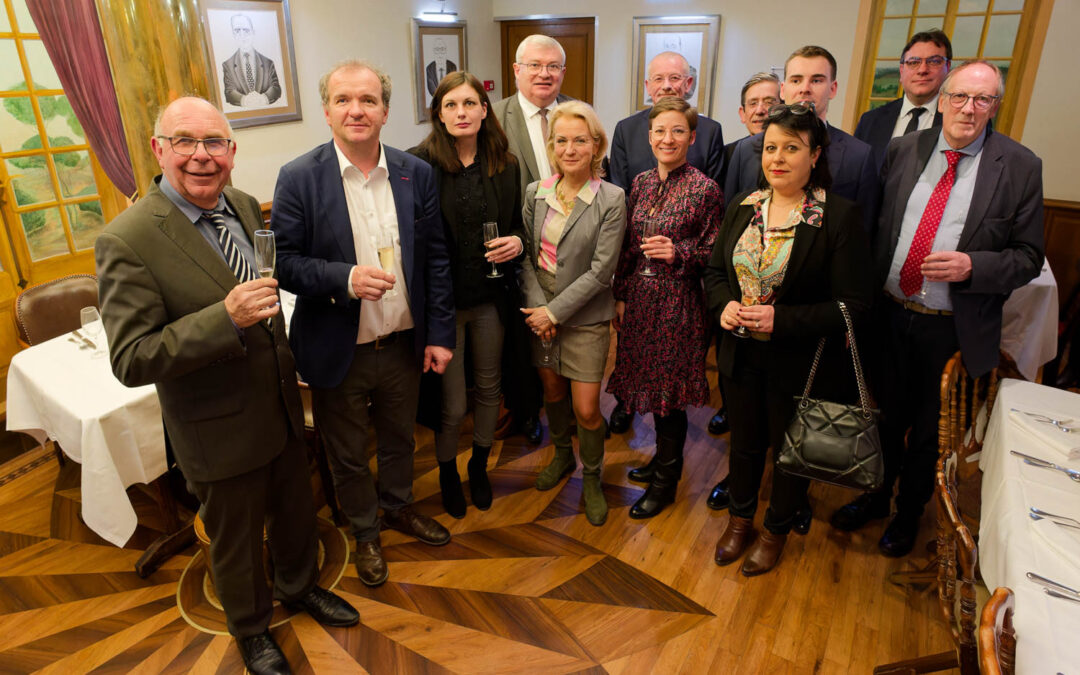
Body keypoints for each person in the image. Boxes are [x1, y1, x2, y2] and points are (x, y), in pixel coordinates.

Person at [95, 96, 357, 675]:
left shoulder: (239, 204)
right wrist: (223, 319)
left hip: (281, 404)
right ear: (159, 149)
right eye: (184, 141)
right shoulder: (128, 239)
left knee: (294, 513)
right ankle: (251, 630)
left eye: (214, 143)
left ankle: (300, 587)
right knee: (235, 542)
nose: (200, 156)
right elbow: (132, 359)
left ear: (232, 153)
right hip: (215, 428)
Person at [830, 61, 1044, 557]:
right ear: (943, 98)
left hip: (951, 329)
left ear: (996, 106)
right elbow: (876, 229)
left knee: (929, 433)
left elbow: (1028, 257)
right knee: (880, 418)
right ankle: (875, 496)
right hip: (889, 313)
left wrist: (973, 265)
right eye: (961, 97)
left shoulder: (1019, 166)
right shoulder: (905, 149)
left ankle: (908, 515)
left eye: (983, 99)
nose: (970, 108)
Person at [271, 60, 455, 588]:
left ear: (385, 111)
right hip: (338, 347)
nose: (357, 110)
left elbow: (435, 259)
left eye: (369, 100)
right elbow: (283, 264)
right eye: (345, 100)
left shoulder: (414, 172)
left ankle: (397, 507)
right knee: (347, 454)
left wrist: (440, 334)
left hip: (402, 342)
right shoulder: (299, 178)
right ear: (327, 110)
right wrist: (344, 278)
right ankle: (366, 530)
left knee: (400, 440)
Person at [704, 102, 874, 576]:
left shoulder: (836, 217)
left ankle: (776, 529)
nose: (777, 158)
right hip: (738, 355)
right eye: (770, 147)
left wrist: (783, 321)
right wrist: (723, 306)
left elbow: (854, 305)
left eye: (792, 148)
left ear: (815, 155)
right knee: (743, 445)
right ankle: (740, 522)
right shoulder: (743, 206)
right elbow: (716, 272)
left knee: (788, 453)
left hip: (800, 362)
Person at [408, 71, 526, 518]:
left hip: (491, 297)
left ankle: (478, 466)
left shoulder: (505, 163)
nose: (462, 112)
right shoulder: (419, 166)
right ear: (439, 113)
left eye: (470, 104)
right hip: (444, 304)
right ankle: (445, 472)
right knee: (453, 403)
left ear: (484, 109)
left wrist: (516, 242)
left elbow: (518, 225)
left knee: (490, 391)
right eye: (451, 105)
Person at [607, 97, 722, 518]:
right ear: (649, 136)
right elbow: (627, 248)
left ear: (692, 137)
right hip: (640, 300)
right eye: (659, 131)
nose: (667, 138)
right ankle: (660, 459)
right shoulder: (639, 183)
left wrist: (680, 251)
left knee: (669, 396)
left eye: (677, 131)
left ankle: (666, 482)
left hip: (679, 303)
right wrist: (620, 294)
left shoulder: (705, 189)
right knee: (650, 389)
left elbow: (715, 251)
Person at [519, 100, 626, 526]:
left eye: (580, 140)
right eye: (561, 140)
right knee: (553, 394)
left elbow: (603, 272)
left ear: (596, 145)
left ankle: (593, 477)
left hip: (585, 319)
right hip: (540, 314)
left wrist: (555, 314)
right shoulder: (536, 192)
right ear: (551, 146)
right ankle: (563, 456)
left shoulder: (612, 198)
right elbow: (526, 255)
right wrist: (539, 312)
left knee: (586, 408)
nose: (570, 148)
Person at [705, 71, 782, 513]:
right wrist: (725, 298)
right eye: (752, 102)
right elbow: (726, 228)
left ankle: (788, 498)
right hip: (737, 302)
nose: (761, 110)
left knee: (783, 413)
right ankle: (741, 489)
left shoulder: (825, 206)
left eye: (769, 100)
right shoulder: (734, 155)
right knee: (743, 406)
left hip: (787, 318)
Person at [492, 33, 571, 444]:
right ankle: (528, 410)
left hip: (569, 247)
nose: (545, 74)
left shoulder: (576, 114)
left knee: (569, 329)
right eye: (535, 65)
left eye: (553, 66)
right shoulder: (493, 117)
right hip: (516, 247)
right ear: (517, 70)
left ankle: (569, 409)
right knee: (523, 338)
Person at [725, 46, 878, 237]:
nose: (805, 89)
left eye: (816, 80)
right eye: (796, 80)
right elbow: (729, 224)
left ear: (833, 88)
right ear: (783, 89)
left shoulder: (859, 156)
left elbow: (862, 233)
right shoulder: (746, 149)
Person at [608, 51, 725, 193]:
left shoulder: (710, 131)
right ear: (648, 86)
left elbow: (715, 194)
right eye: (658, 79)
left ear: (688, 83)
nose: (666, 86)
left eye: (674, 78)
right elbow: (619, 192)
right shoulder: (626, 130)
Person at [855, 29, 951, 168]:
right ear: (901, 70)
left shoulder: (957, 121)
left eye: (933, 62)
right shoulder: (870, 121)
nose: (922, 70)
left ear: (947, 67)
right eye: (913, 62)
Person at [221, 14, 281, 107]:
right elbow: (229, 92)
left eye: (246, 30)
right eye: (237, 31)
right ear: (233, 34)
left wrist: (263, 98)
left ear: (253, 32)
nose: (242, 35)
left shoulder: (268, 63)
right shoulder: (227, 65)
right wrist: (245, 100)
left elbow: (276, 88)